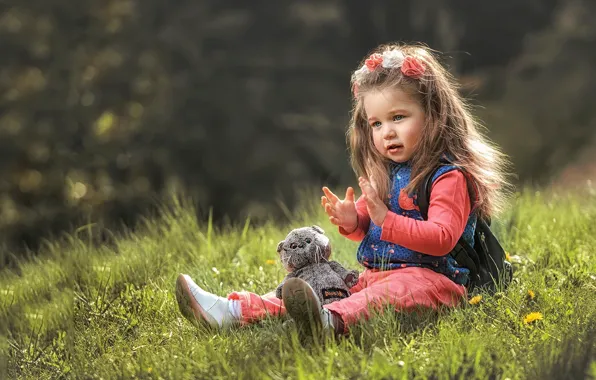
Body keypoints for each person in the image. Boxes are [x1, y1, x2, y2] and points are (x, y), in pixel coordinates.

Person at [175, 43, 511, 339]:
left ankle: (329, 322)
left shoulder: (447, 177)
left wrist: (385, 218)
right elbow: (371, 224)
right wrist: (354, 220)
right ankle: (231, 312)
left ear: (434, 116)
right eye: (376, 123)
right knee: (328, 285)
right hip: (377, 274)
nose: (387, 132)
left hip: (436, 282)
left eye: (398, 117)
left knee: (387, 293)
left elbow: (441, 238)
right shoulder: (390, 172)